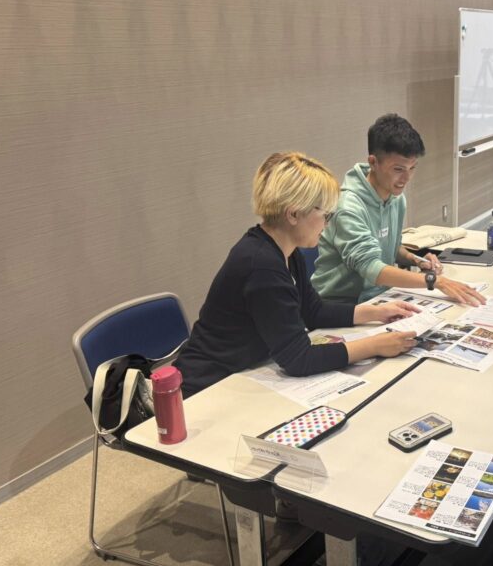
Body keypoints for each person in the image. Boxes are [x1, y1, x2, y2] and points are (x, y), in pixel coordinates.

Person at [175, 152, 420, 398]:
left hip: (243, 374)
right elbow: (298, 358)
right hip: (206, 387)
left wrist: (376, 312)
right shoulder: (261, 265)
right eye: (325, 215)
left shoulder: (287, 252)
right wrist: (375, 345)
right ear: (293, 214)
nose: (327, 224)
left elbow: (312, 312)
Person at [311, 114, 485, 306]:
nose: (406, 178)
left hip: (380, 297)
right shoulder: (348, 207)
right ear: (373, 162)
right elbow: (370, 267)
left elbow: (390, 247)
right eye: (398, 169)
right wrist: (434, 281)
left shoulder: (396, 198)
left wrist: (416, 260)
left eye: (412, 168)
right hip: (342, 305)